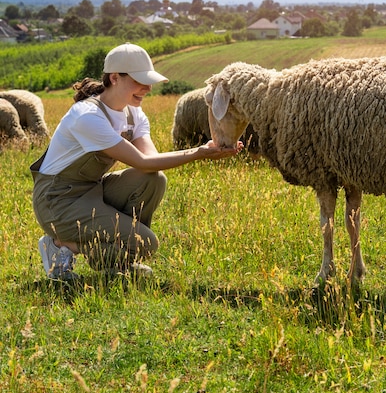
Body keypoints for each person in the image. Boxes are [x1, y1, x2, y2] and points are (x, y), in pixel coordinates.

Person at [30, 42, 241, 280]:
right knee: (146, 243)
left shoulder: (134, 114)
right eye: (139, 81)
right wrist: (198, 153)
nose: (148, 88)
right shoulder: (87, 117)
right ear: (115, 78)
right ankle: (61, 245)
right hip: (58, 201)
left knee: (154, 179)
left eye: (148, 81)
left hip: (91, 191)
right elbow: (141, 161)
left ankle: (120, 259)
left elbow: (151, 161)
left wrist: (208, 149)